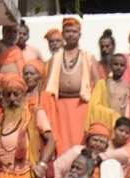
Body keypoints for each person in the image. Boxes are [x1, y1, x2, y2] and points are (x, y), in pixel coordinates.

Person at [0, 74, 55, 178]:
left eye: (16, 94)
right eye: (8, 95)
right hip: (3, 177)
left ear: (24, 95)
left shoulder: (35, 113)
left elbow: (51, 140)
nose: (12, 99)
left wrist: (42, 164)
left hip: (26, 175)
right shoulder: (0, 119)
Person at [42, 17, 99, 155]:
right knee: (61, 143)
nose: (71, 34)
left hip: (81, 106)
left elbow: (98, 84)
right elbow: (46, 84)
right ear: (63, 34)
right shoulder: (55, 57)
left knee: (80, 142)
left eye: (74, 31)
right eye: (67, 31)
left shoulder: (87, 56)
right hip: (60, 106)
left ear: (79, 34)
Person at [87, 53, 130, 131]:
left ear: (126, 68)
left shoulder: (128, 87)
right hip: (105, 123)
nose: (119, 67)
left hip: (120, 125)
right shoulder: (104, 84)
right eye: (116, 64)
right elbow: (94, 106)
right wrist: (111, 113)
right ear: (111, 66)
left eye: (122, 65)